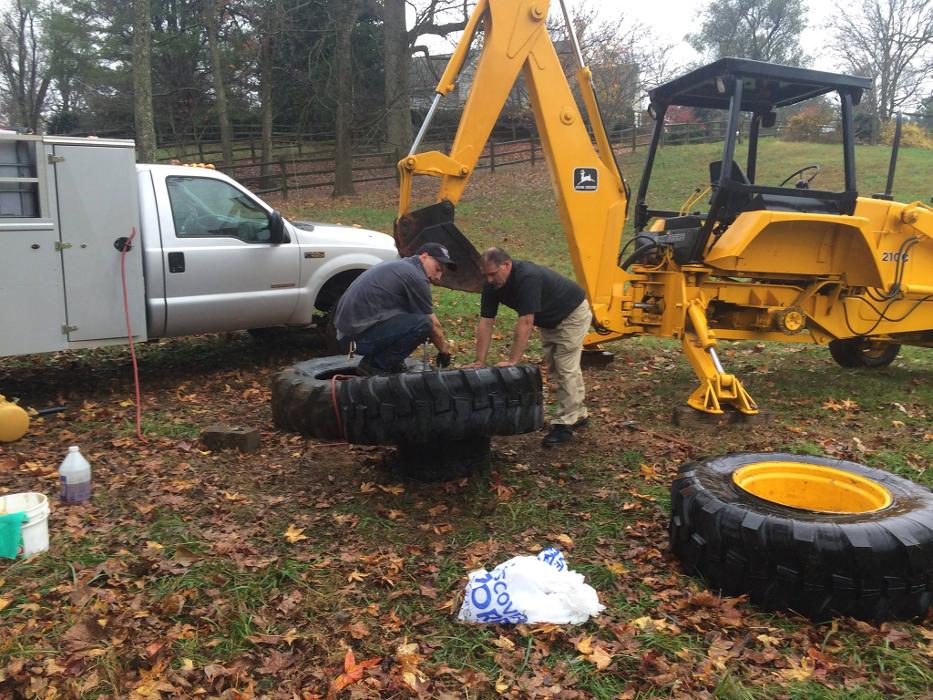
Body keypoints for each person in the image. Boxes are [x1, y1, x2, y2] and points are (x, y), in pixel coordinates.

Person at [468, 247, 592, 447]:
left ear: (507, 265)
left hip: (572, 313)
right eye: (486, 275)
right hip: (549, 318)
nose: (490, 280)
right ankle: (579, 413)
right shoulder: (491, 286)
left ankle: (565, 424)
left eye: (493, 274)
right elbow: (486, 322)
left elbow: (526, 320)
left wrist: (513, 361)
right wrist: (479, 361)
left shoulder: (527, 277)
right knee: (556, 366)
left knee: (564, 366)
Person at [333, 242, 454, 374]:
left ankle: (391, 362)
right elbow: (434, 326)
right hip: (355, 343)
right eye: (437, 269)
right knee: (424, 324)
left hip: (345, 337)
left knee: (413, 318)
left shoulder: (400, 266)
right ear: (424, 256)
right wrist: (444, 351)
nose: (438, 277)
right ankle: (375, 366)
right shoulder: (416, 277)